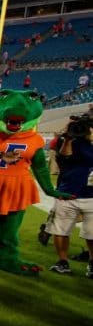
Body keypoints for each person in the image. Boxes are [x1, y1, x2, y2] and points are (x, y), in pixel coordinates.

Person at [47, 116, 93, 278]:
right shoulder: (69, 141)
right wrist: (67, 137)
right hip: (68, 193)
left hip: (91, 196)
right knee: (61, 230)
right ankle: (62, 262)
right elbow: (65, 156)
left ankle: (92, 264)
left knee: (92, 233)